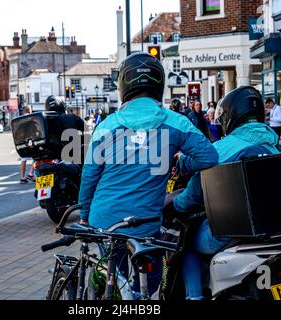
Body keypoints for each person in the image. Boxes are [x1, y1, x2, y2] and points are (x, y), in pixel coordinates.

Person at [78, 52, 219, 297]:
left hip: (105, 221)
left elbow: (90, 175)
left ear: (123, 85)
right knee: (148, 286)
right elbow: (209, 157)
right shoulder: (177, 122)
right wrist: (181, 164)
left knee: (114, 280)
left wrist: (83, 215)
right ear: (160, 84)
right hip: (145, 224)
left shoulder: (107, 125)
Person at [170, 86, 279, 300]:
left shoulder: (222, 148)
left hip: (233, 230)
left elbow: (194, 194)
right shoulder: (274, 145)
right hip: (274, 228)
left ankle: (194, 297)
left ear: (231, 116)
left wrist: (175, 205)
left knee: (186, 241)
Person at [45, 95, 85, 160]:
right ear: (62, 106)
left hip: (56, 156)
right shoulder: (72, 117)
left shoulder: (46, 121)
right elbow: (85, 130)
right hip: (74, 153)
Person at [19, 105, 35, 184]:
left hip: (21, 142)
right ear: (29, 110)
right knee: (37, 157)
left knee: (23, 159)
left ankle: (22, 177)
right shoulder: (31, 118)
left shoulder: (20, 119)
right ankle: (31, 173)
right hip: (30, 141)